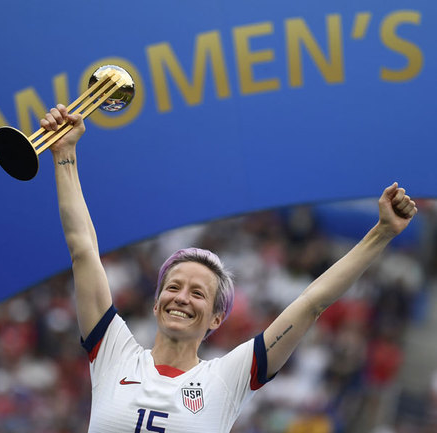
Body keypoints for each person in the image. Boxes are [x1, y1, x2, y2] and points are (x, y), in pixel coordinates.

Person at [40, 104, 418, 433]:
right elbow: (84, 250)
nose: (181, 298)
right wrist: (64, 154)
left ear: (217, 319)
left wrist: (381, 234)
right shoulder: (113, 353)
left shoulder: (226, 378)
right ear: (155, 304)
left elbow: (312, 302)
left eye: (198, 292)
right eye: (173, 287)